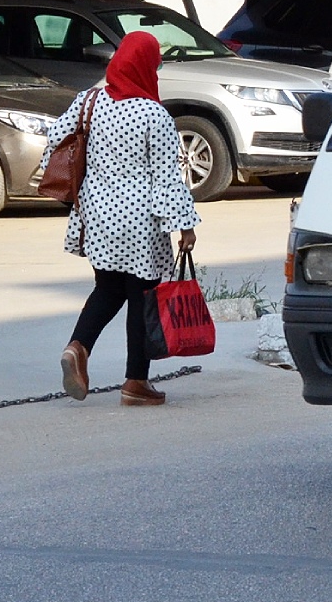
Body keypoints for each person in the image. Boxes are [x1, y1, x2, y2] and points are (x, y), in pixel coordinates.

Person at [52, 32, 201, 407]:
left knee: (108, 287)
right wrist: (184, 224)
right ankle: (136, 382)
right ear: (146, 66)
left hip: (97, 211)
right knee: (142, 295)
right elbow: (167, 176)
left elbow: (55, 140)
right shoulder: (153, 114)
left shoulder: (90, 101)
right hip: (140, 217)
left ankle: (77, 345)